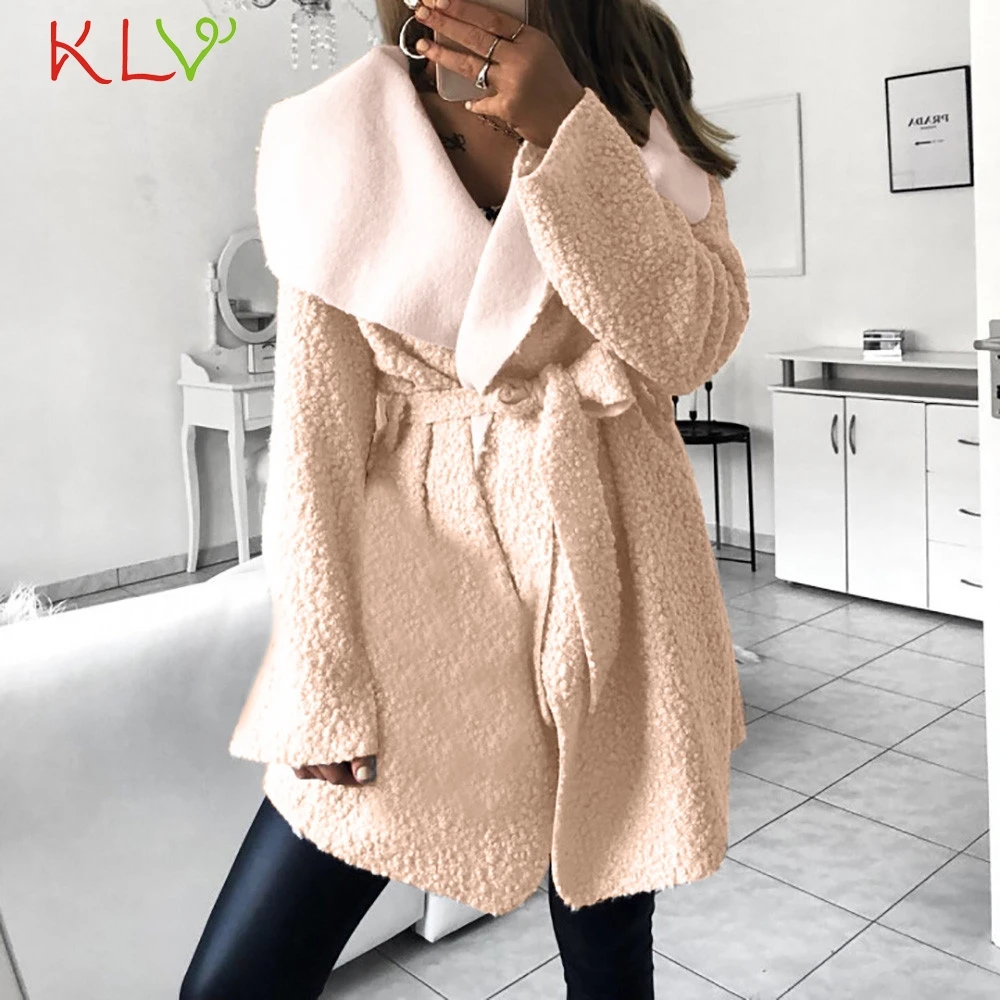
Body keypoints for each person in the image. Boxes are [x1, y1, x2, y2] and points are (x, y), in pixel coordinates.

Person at [181, 0, 750, 996]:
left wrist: (568, 129)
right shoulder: (330, 133)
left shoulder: (630, 63)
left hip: (613, 574)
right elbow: (317, 437)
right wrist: (319, 675)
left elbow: (692, 342)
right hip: (426, 581)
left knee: (609, 948)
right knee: (237, 978)